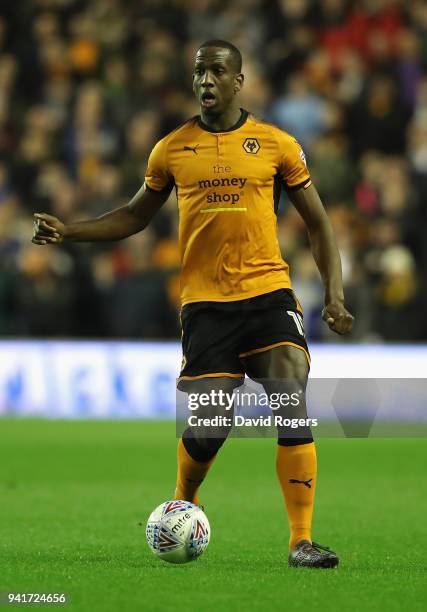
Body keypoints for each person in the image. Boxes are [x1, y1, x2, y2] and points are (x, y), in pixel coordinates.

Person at [32, 40, 354, 568]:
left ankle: (301, 540)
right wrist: (72, 231)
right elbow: (135, 216)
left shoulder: (276, 144)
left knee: (290, 389)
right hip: (206, 306)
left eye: (217, 71)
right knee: (206, 433)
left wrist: (334, 296)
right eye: (199, 72)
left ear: (238, 81)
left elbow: (318, 222)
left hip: (268, 292)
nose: (206, 80)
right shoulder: (171, 148)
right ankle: (186, 495)